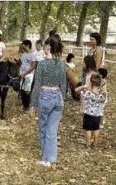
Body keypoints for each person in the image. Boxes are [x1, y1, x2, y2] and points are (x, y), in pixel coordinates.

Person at [30, 34, 66, 167]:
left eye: (45, 45)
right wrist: (62, 101)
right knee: (52, 130)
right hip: (58, 97)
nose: (44, 48)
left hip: (45, 97)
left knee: (44, 128)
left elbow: (37, 84)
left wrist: (33, 104)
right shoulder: (61, 64)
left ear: (49, 47)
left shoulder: (42, 65)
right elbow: (63, 84)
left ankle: (46, 158)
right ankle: (50, 157)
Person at [75, 74, 106, 148]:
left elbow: (76, 90)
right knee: (96, 129)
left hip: (88, 114)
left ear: (91, 83)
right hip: (97, 115)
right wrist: (100, 88)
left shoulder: (88, 93)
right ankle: (95, 143)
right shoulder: (101, 96)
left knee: (88, 129)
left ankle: (88, 144)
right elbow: (103, 99)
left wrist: (84, 86)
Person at [19, 40, 35, 111]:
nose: (22, 46)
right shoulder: (23, 54)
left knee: (27, 91)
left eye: (23, 45)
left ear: (28, 45)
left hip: (29, 75)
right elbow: (21, 64)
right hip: (22, 75)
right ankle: (24, 106)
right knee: (22, 90)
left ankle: (28, 106)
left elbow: (33, 66)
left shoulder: (32, 55)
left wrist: (25, 74)